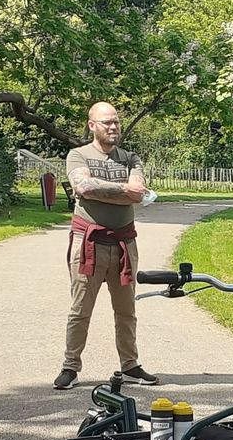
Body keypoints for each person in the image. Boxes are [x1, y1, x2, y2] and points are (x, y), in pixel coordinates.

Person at [53, 102, 159, 390]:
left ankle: (130, 366)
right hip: (88, 243)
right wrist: (123, 191)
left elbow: (139, 193)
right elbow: (83, 188)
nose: (113, 127)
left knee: (126, 310)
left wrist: (105, 192)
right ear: (92, 125)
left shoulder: (130, 158)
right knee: (80, 309)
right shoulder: (78, 155)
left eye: (116, 122)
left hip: (124, 243)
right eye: (106, 123)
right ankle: (70, 367)